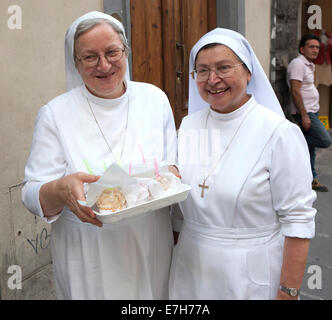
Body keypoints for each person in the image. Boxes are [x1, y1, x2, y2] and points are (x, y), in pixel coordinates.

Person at [21, 11, 178, 299]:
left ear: (126, 52)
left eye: (112, 52)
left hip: (149, 244)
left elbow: (170, 167)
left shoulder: (155, 100)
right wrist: (61, 189)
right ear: (76, 64)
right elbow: (31, 194)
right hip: (88, 250)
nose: (104, 65)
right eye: (90, 57)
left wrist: (172, 174)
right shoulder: (55, 114)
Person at [169, 28, 316, 300]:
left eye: (224, 67)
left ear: (248, 72)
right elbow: (180, 210)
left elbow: (298, 218)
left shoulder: (279, 133)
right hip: (190, 266)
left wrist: (289, 291)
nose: (213, 79)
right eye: (202, 70)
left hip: (249, 272)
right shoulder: (189, 126)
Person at [287, 34, 332, 192]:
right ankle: (297, 142)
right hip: (305, 113)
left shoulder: (309, 65)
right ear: (302, 49)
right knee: (325, 140)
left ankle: (311, 179)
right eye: (311, 47)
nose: (315, 50)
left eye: (317, 47)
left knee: (310, 149)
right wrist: (304, 115)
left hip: (313, 110)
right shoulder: (298, 63)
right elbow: (295, 90)